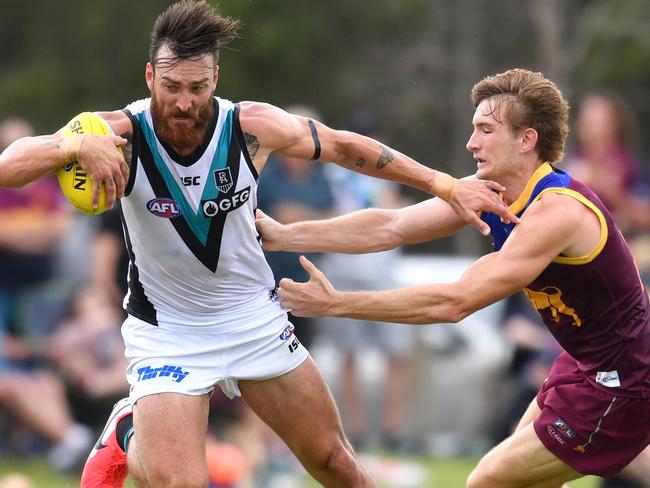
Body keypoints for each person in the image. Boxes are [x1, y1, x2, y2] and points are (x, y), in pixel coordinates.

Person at [0, 2, 516, 487]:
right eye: (173, 86)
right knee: (179, 480)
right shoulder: (118, 133)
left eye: (198, 87)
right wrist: (69, 143)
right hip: (168, 330)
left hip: (253, 317)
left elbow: (342, 146)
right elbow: (9, 165)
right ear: (150, 76)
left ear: (215, 78)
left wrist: (446, 184)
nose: (184, 102)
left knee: (336, 464)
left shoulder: (250, 127)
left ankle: (139, 435)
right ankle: (129, 431)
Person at [257, 68, 650, 487]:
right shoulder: (490, 191)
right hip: (583, 363)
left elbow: (455, 302)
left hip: (625, 378)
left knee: (487, 480)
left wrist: (336, 303)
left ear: (526, 139)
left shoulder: (556, 212)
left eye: (485, 129)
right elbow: (391, 225)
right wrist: (284, 236)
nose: (471, 142)